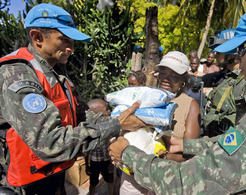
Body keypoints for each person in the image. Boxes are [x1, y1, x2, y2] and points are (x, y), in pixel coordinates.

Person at [109, 0, 246, 194]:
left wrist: (127, 154)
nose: (238, 57)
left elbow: (187, 183)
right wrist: (188, 145)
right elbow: (236, 145)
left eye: (243, 48)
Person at [0, 3, 144, 194]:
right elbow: (50, 143)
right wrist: (115, 125)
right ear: (37, 37)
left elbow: (83, 114)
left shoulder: (56, 75)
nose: (72, 49)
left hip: (53, 178)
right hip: (23, 187)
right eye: (64, 40)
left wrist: (125, 121)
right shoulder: (17, 74)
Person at [203, 29, 246, 137]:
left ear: (232, 54)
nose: (215, 55)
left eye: (219, 52)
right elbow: (202, 80)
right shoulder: (225, 75)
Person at [155, 51, 201, 161]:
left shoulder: (190, 106)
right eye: (163, 73)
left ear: (183, 80)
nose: (166, 79)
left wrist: (161, 157)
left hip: (170, 173)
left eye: (174, 76)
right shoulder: (147, 97)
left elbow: (190, 154)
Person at [84, 99, 115, 195]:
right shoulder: (89, 128)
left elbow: (113, 146)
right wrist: (87, 166)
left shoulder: (111, 126)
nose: (109, 111)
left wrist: (111, 163)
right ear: (97, 113)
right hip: (95, 162)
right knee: (93, 182)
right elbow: (86, 149)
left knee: (110, 180)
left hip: (107, 161)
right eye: (106, 109)